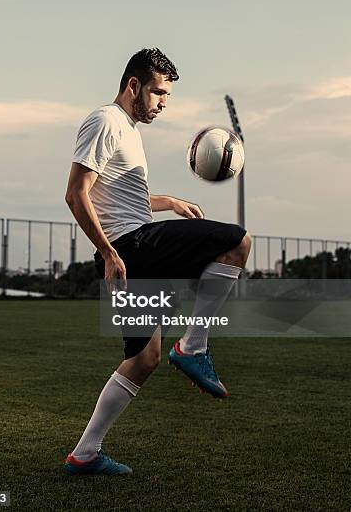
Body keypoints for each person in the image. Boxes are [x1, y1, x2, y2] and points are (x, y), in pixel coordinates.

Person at [64, 48, 251, 476]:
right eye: (158, 92)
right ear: (134, 85)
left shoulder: (127, 130)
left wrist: (166, 202)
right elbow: (77, 193)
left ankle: (85, 454)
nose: (163, 102)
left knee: (144, 358)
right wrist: (110, 251)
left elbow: (110, 196)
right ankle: (194, 347)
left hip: (131, 252)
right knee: (237, 242)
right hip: (133, 249)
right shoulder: (106, 121)